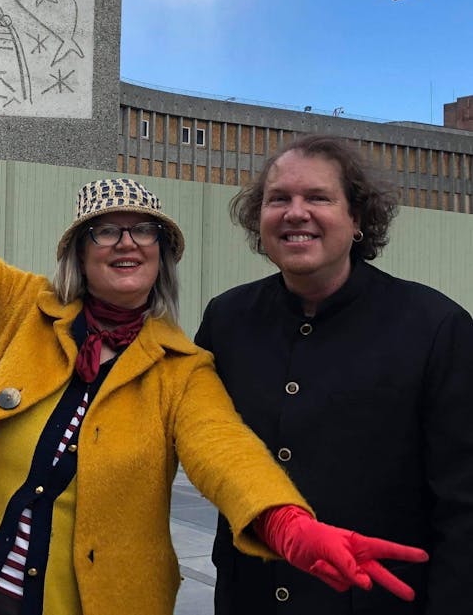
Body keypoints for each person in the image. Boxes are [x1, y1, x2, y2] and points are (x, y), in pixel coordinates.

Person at [0, 35, 427, 615]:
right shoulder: (21, 308)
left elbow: (225, 451)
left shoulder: (179, 368)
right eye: (106, 229)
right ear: (80, 251)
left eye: (144, 230)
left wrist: (287, 524)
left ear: (163, 253)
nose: (126, 243)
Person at [194, 134, 473, 614]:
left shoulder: (437, 328)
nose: (295, 212)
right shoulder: (227, 319)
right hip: (251, 598)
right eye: (278, 198)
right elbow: (198, 436)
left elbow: (463, 508)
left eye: (318, 197)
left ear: (358, 218)